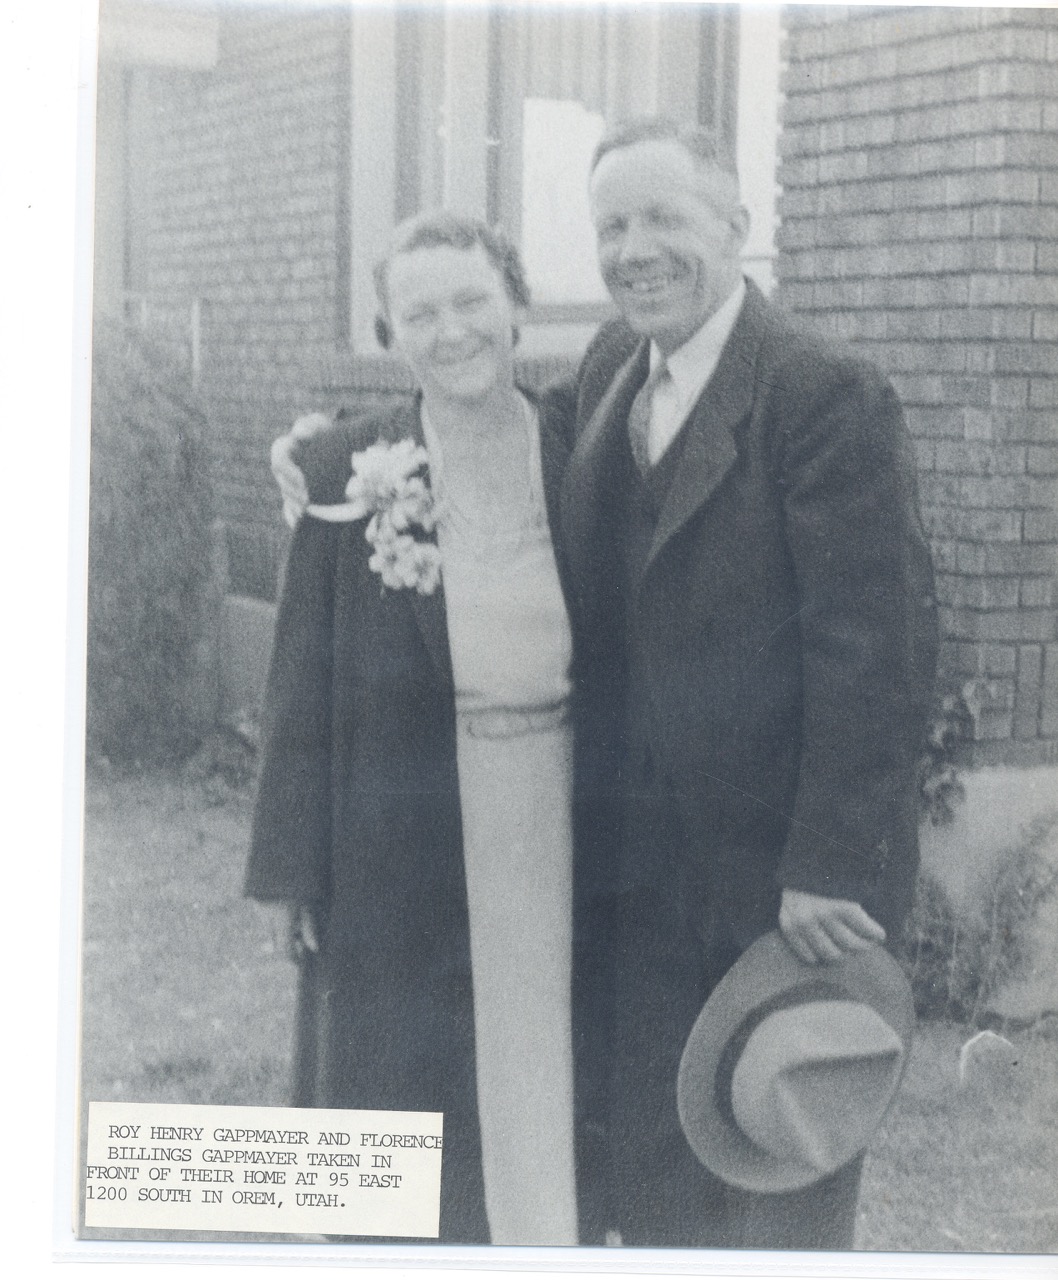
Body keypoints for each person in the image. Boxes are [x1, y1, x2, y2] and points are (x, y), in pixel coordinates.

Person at [270, 118, 938, 1251]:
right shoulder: (612, 370)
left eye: (662, 218)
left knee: (767, 1164)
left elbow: (877, 650)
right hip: (622, 864)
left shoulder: (822, 394)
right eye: (611, 225)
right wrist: (335, 448)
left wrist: (832, 860)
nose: (634, 248)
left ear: (735, 226)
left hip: (761, 877)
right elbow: (478, 426)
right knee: (649, 1164)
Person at [246, 211, 585, 1246]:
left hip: (567, 809)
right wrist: (299, 868)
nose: (450, 331)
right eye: (419, 312)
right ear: (390, 333)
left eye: (472, 301)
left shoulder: (585, 443)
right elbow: (298, 681)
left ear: (519, 308)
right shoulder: (348, 464)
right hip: (405, 823)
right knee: (408, 1078)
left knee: (547, 1057)